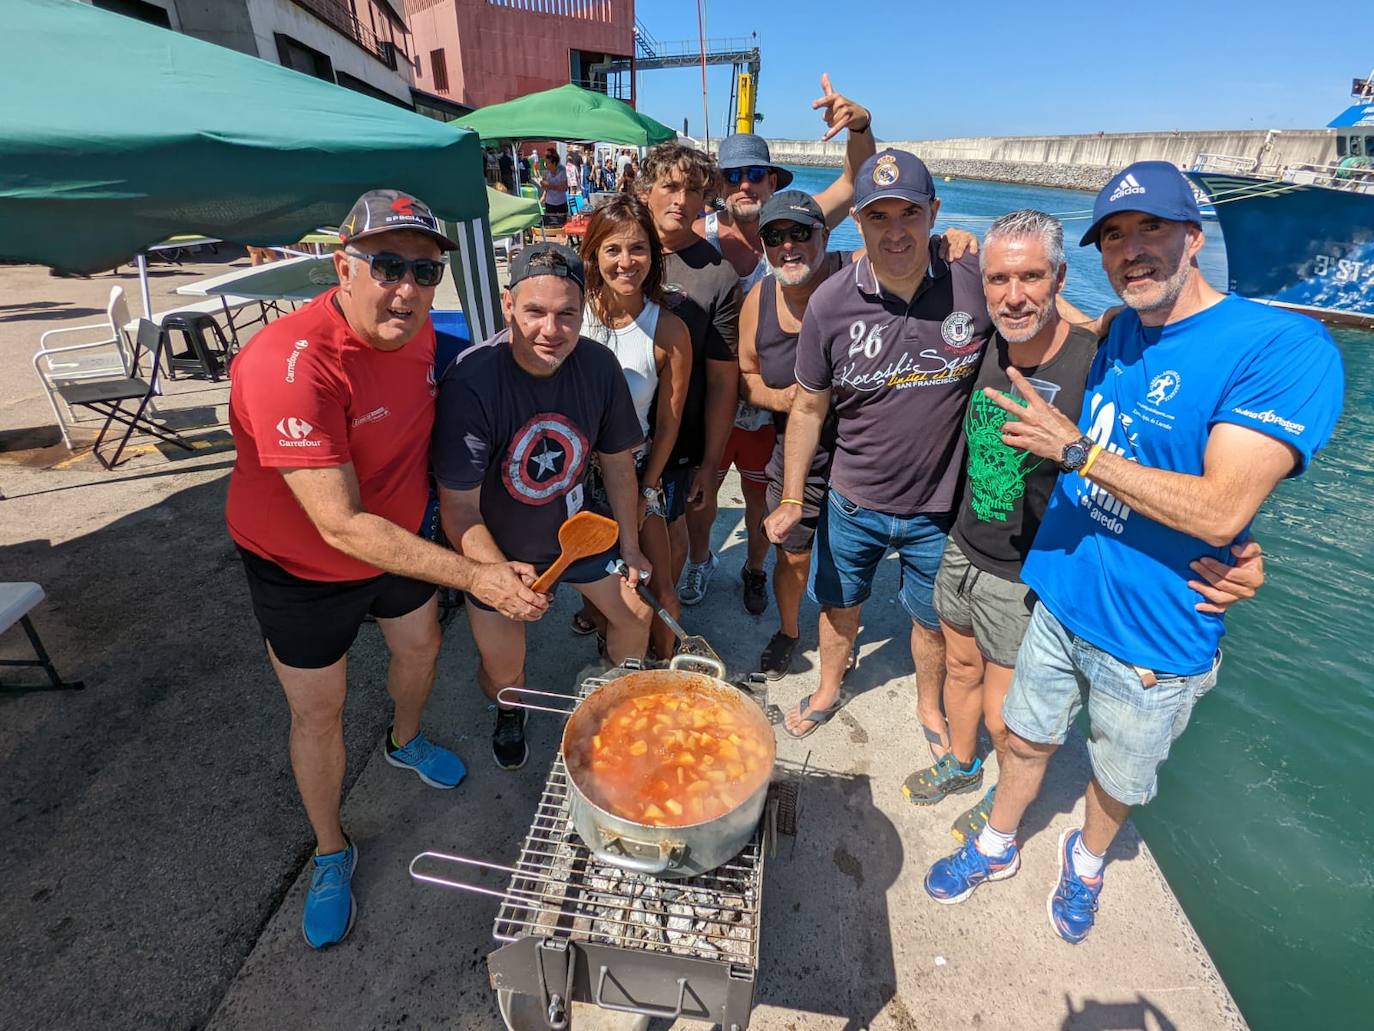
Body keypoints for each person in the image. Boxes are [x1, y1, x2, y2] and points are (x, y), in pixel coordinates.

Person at [924, 163, 1344, 944]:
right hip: (1059, 591)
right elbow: (1045, 315)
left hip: (1154, 634)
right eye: (1114, 236)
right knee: (1023, 735)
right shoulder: (1119, 329)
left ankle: (1085, 864)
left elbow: (1222, 506)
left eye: (1150, 228)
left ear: (1194, 235)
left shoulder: (1282, 346)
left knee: (1118, 776)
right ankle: (996, 843)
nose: (1131, 249)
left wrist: (1079, 451)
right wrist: (967, 252)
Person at [225, 189, 548, 949]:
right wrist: (477, 576)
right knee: (319, 710)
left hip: (401, 543)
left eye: (427, 270)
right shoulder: (289, 363)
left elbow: (513, 364)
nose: (408, 287)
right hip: (299, 564)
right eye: (388, 265)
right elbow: (337, 521)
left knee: (422, 648)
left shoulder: (427, 339)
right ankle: (331, 849)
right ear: (343, 266)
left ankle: (404, 741)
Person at [907, 209, 1266, 843]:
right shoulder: (983, 344)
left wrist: (1235, 543)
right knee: (959, 669)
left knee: (1008, 718)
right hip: (963, 546)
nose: (1013, 296)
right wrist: (950, 242)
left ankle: (1001, 796)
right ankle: (961, 765)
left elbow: (1169, 453)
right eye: (998, 280)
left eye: (1031, 278)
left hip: (1030, 571)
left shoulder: (1097, 360)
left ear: (1059, 279)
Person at [768, 149, 992, 748]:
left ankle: (929, 708)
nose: (895, 232)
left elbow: (1040, 317)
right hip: (853, 502)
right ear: (858, 224)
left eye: (909, 214)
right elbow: (809, 406)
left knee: (931, 620)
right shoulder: (830, 302)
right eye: (877, 217)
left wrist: (1096, 330)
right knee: (840, 608)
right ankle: (827, 690)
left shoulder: (974, 284)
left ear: (934, 214)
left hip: (938, 509)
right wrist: (793, 496)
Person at [435, 244, 653, 771]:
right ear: (509, 306)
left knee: (637, 615)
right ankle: (511, 711)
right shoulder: (471, 380)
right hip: (500, 548)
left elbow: (619, 462)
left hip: (577, 537)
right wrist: (494, 574)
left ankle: (609, 700)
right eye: (535, 312)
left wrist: (630, 545)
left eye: (566, 314)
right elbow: (459, 509)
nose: (550, 330)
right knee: (504, 671)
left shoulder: (599, 366)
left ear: (585, 311)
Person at [683, 76, 877, 614]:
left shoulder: (797, 221)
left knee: (758, 496)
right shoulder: (696, 236)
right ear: (720, 186)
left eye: (755, 174)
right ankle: (700, 561)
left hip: (780, 403)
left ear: (772, 179)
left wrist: (859, 126)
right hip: (715, 397)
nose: (745, 185)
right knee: (702, 493)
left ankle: (754, 566)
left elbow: (859, 180)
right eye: (734, 176)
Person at [573, 195, 693, 660]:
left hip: (636, 468)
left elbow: (668, 426)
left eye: (638, 249)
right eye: (613, 250)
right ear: (593, 255)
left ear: (654, 256)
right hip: (575, 469)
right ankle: (609, 635)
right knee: (591, 573)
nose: (626, 262)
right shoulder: (572, 314)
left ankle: (665, 665)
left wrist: (645, 492)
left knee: (659, 586)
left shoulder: (669, 331)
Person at [742, 191, 851, 676]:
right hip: (795, 452)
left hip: (860, 449)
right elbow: (746, 375)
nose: (788, 245)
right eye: (775, 236)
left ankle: (839, 643)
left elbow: (906, 246)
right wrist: (781, 398)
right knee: (793, 555)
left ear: (825, 235)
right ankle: (789, 630)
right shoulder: (759, 298)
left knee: (849, 562)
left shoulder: (855, 274)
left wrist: (950, 242)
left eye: (801, 233)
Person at [636, 143, 742, 620]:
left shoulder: (718, 275)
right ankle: (608, 610)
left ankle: (661, 608)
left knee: (669, 526)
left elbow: (723, 382)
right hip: (613, 427)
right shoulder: (618, 252)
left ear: (706, 202)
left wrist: (710, 463)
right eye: (670, 187)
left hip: (680, 434)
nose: (681, 199)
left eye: (694, 191)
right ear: (644, 192)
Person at [539, 151, 569, 219]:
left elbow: (564, 188)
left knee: (562, 224)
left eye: (548, 163)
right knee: (551, 225)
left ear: (554, 163)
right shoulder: (546, 170)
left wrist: (550, 186)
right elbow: (544, 184)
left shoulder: (562, 170)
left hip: (561, 202)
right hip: (549, 203)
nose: (546, 165)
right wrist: (543, 184)